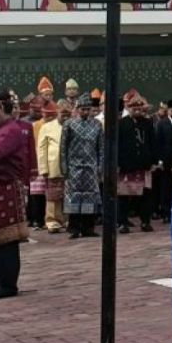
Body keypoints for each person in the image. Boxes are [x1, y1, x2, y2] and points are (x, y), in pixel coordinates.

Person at [0, 90, 30, 299]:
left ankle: (8, 284)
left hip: (7, 189)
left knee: (7, 240)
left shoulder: (11, 130)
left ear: (0, 108)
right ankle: (0, 280)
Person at [61, 96, 103, 238]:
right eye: (83, 109)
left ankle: (88, 228)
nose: (85, 112)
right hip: (74, 166)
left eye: (88, 109)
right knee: (74, 196)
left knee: (90, 197)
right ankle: (74, 228)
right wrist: (64, 167)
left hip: (91, 166)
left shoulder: (97, 124)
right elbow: (63, 148)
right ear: (78, 109)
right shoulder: (69, 124)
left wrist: (100, 165)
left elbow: (101, 148)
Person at [118, 92, 156, 233]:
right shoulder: (122, 124)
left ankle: (145, 222)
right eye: (135, 109)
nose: (138, 111)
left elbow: (153, 143)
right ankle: (122, 223)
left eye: (140, 109)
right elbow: (117, 145)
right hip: (126, 166)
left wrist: (153, 160)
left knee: (146, 195)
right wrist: (118, 163)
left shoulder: (147, 123)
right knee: (123, 195)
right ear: (129, 109)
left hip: (143, 165)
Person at [36, 101, 70, 234]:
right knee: (53, 196)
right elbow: (42, 148)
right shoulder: (47, 127)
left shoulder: (73, 125)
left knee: (68, 195)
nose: (66, 117)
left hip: (70, 168)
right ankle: (52, 221)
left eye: (68, 114)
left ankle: (67, 220)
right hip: (53, 166)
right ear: (57, 113)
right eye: (63, 114)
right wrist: (43, 168)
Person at [28, 100, 58, 228]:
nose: (49, 117)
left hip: (53, 164)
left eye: (52, 115)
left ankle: (51, 219)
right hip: (37, 161)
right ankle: (37, 219)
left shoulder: (58, 125)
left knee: (52, 193)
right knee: (36, 193)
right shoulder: (35, 125)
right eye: (47, 115)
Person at [153, 99, 172, 223]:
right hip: (166, 160)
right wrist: (160, 161)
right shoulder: (162, 124)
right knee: (166, 188)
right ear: (168, 111)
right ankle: (165, 213)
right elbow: (158, 143)